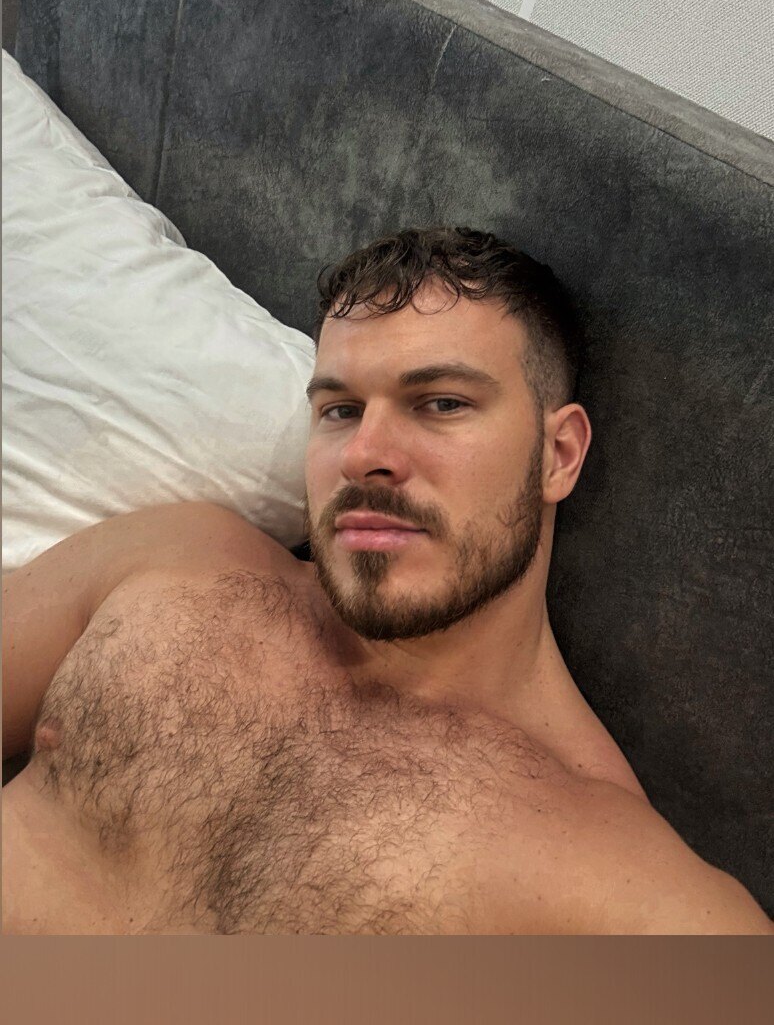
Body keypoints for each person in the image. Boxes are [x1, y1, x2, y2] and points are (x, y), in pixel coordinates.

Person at [3, 227, 771, 935]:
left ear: (558, 454)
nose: (364, 453)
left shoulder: (612, 878)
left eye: (440, 403)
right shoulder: (172, 562)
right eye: (339, 409)